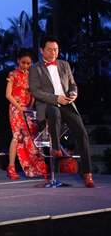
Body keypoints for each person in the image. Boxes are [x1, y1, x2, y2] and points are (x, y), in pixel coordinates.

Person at [29, 35, 94, 188]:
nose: (53, 53)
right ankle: (56, 148)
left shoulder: (64, 65)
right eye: (50, 50)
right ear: (42, 50)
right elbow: (35, 91)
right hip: (48, 104)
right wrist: (55, 98)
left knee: (82, 132)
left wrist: (73, 94)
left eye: (56, 50)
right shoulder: (35, 68)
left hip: (66, 103)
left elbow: (73, 85)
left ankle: (87, 173)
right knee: (54, 112)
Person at [5, 48, 48, 180]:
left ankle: (40, 167)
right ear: (18, 60)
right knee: (17, 136)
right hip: (16, 109)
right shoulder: (13, 74)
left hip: (28, 109)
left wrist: (30, 105)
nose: (26, 65)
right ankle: (11, 167)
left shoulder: (32, 75)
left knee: (33, 136)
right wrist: (20, 107)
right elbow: (8, 95)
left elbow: (33, 92)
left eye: (28, 63)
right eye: (23, 62)